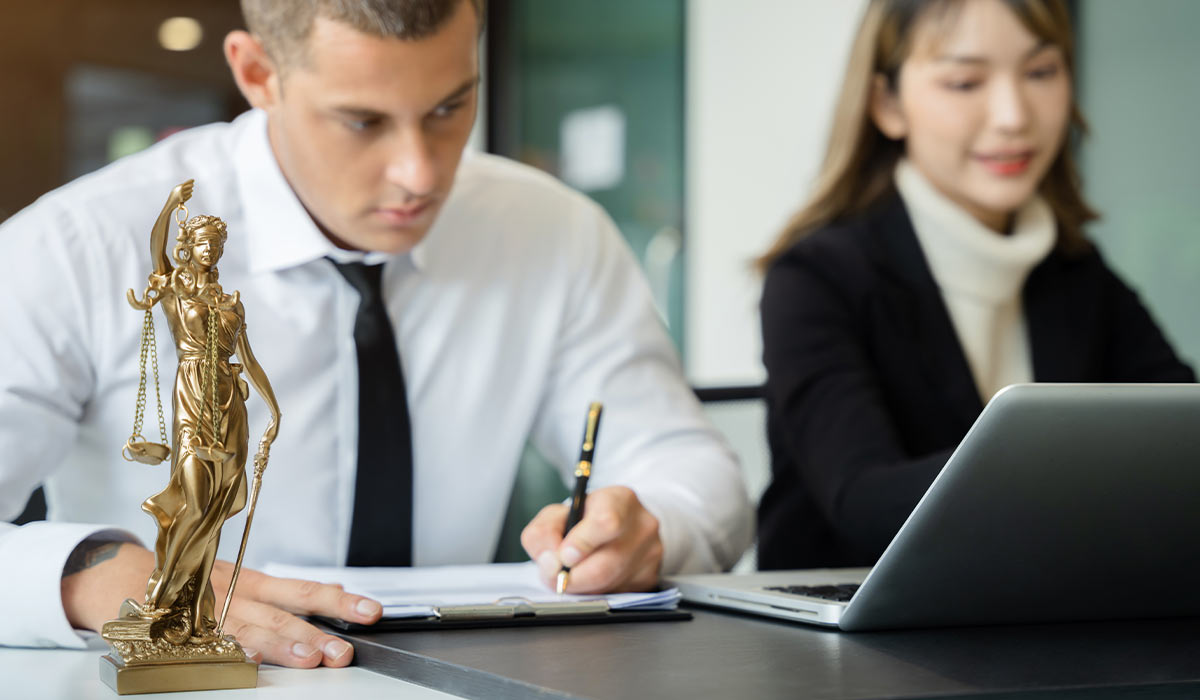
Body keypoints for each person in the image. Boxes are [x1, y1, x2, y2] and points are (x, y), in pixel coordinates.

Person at [0, 0, 752, 668]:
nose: (418, 173)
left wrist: (651, 526)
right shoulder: (82, 246)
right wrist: (86, 576)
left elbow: (689, 467)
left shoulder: (553, 234)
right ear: (258, 72)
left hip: (473, 679)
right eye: (363, 121)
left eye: (449, 108)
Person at [756, 0, 1194, 571]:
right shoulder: (817, 279)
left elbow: (1183, 446)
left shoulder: (1077, 271)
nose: (1013, 116)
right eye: (964, 82)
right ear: (886, 104)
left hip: (1037, 627)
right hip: (850, 646)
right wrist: (1090, 475)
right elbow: (864, 503)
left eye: (1040, 72)